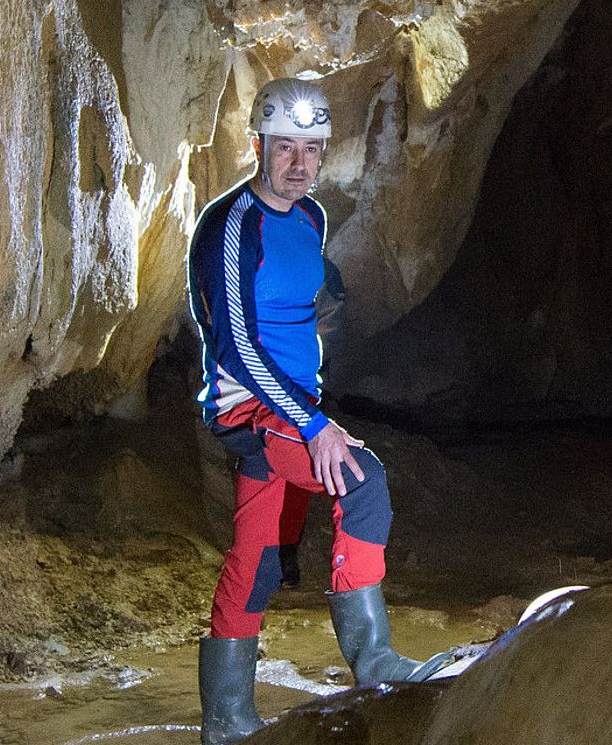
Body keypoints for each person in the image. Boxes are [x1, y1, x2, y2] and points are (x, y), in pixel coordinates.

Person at [187, 76, 451, 745]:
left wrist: (318, 362)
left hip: (291, 404)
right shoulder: (230, 226)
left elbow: (311, 303)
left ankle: (225, 722)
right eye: (285, 149)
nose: (299, 164)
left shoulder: (309, 218)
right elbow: (238, 345)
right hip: (252, 407)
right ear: (258, 145)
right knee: (363, 482)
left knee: (257, 559)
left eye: (311, 149)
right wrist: (313, 424)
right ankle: (374, 661)